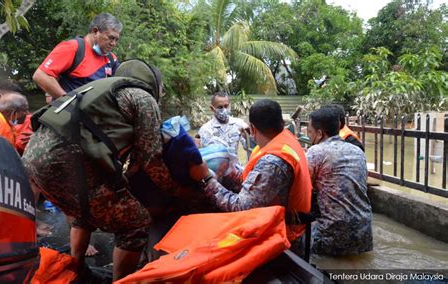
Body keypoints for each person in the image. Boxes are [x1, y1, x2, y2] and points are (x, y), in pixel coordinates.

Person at [22, 60, 209, 281]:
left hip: (33, 163)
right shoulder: (143, 98)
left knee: (86, 211)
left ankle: (76, 269)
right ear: (154, 84)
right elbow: (152, 160)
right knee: (136, 222)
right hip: (67, 164)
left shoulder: (98, 90)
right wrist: (177, 190)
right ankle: (121, 280)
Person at [202, 99, 312, 245]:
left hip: (285, 236)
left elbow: (241, 207)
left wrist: (207, 178)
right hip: (290, 224)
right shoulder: (285, 140)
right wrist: (230, 172)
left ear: (252, 129)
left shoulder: (273, 161)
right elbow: (256, 180)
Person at [306, 106, 373, 256]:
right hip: (365, 234)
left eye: (309, 132)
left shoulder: (316, 151)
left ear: (319, 133)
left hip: (332, 237)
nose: (308, 136)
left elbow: (302, 187)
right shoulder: (357, 151)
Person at [32, 13, 121, 103]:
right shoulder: (72, 48)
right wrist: (69, 101)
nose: (113, 43)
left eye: (116, 40)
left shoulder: (111, 59)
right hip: (67, 113)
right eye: (111, 38)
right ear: (95, 32)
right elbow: (41, 76)